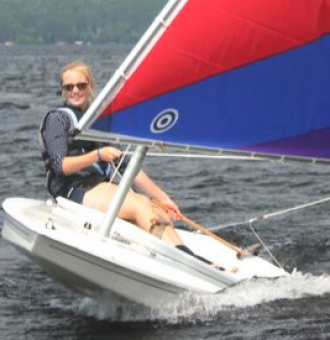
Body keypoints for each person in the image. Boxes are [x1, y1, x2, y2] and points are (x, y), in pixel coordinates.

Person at [39, 60, 215, 264]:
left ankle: (182, 254)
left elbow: (126, 166)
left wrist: (163, 198)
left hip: (100, 186)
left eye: (81, 85)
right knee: (140, 205)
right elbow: (60, 165)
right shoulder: (57, 120)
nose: (75, 90)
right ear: (63, 91)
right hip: (73, 189)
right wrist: (98, 155)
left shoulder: (99, 120)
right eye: (69, 87)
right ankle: (190, 262)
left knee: (157, 211)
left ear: (91, 86)